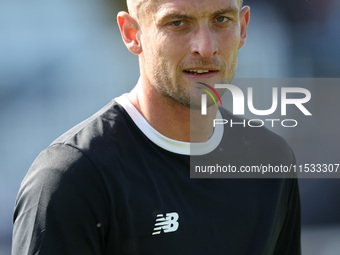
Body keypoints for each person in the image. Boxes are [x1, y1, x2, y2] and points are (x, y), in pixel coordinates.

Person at [12, 0, 301, 254]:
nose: (205, 46)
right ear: (131, 33)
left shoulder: (271, 159)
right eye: (178, 23)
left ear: (243, 27)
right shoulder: (72, 177)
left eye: (221, 20)